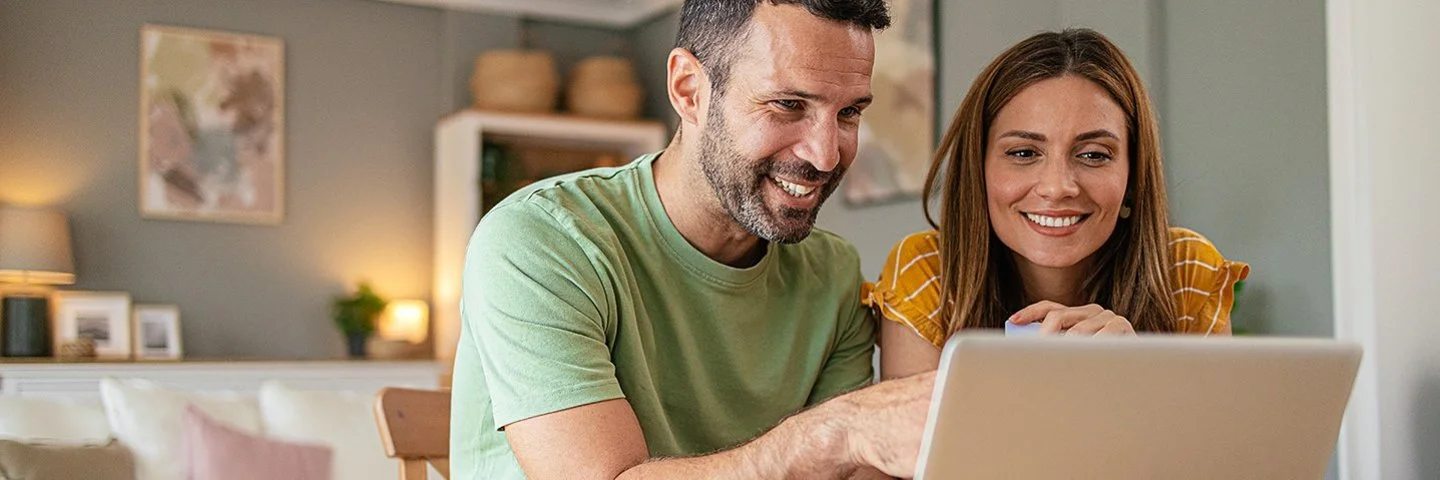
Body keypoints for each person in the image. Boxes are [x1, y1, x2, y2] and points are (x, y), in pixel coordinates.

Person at [450, 1, 931, 478]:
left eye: (848, 112)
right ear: (689, 89)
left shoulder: (833, 273)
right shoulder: (543, 240)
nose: (826, 155)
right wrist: (838, 431)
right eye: (788, 105)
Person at [868, 29, 1251, 379]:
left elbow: (1218, 453)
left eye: (1094, 155)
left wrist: (1140, 380)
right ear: (978, 169)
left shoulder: (1184, 270)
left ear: (1133, 176)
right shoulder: (928, 273)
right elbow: (914, 454)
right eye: (1022, 152)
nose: (1057, 187)